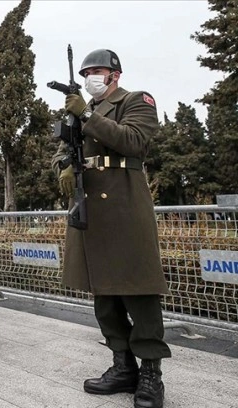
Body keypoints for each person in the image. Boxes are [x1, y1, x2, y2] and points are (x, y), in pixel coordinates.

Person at [52, 49, 170, 408]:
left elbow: (133, 141)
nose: (91, 77)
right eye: (86, 72)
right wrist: (64, 166)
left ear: (115, 75)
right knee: (103, 293)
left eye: (97, 71)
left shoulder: (135, 100)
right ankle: (122, 365)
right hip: (89, 208)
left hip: (124, 205)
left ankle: (150, 373)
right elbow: (60, 149)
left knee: (138, 289)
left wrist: (85, 113)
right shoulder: (77, 112)